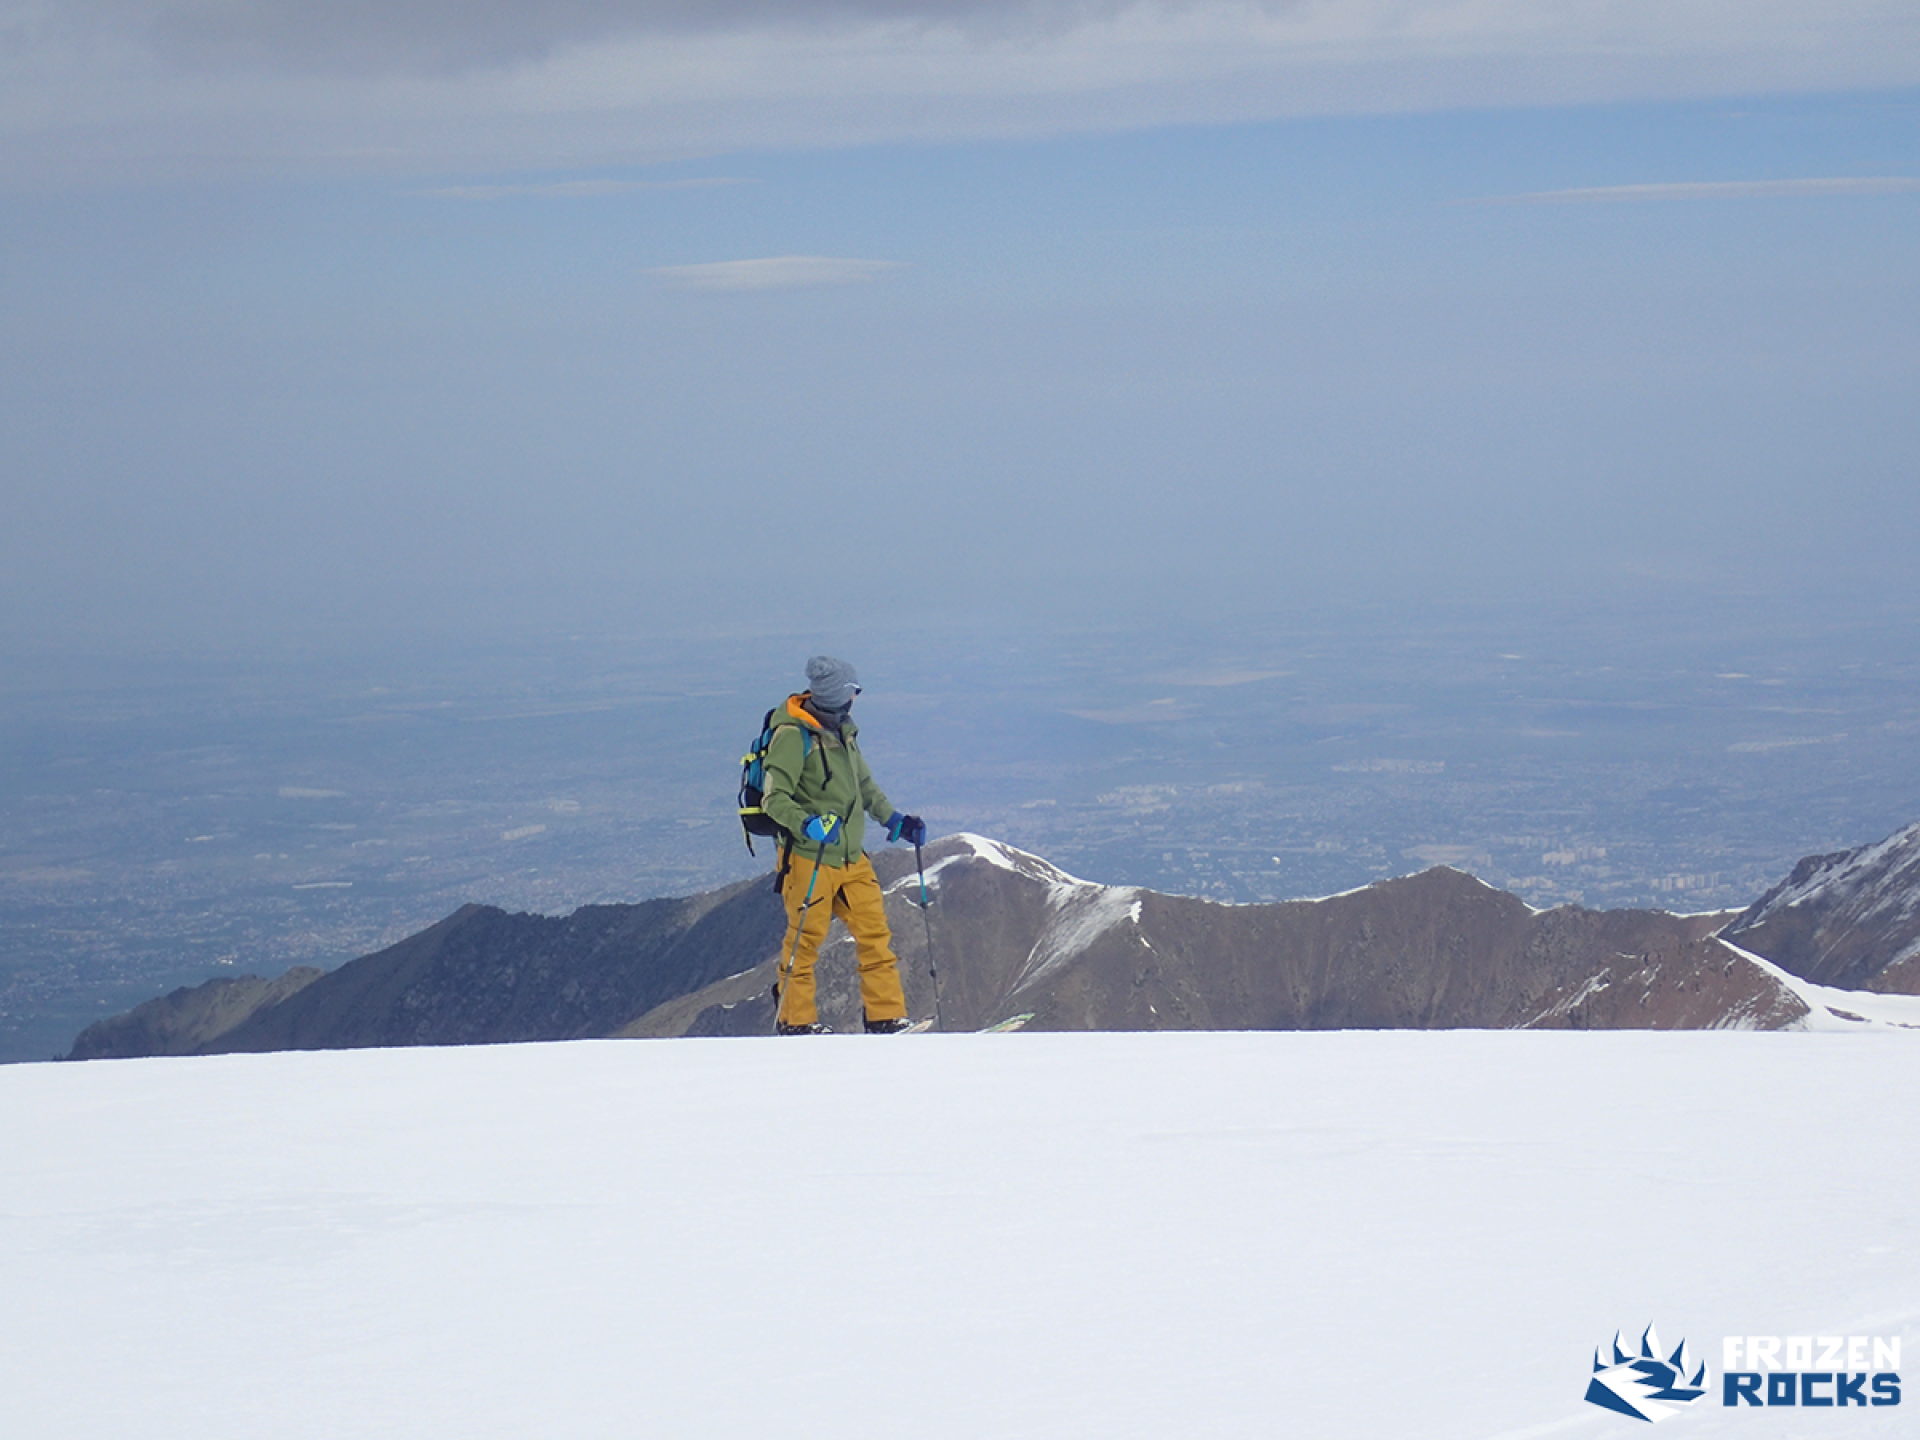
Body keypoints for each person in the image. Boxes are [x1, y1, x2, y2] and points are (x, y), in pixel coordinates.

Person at [760, 655, 927, 1035]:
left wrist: (895, 821)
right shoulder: (793, 735)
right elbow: (774, 798)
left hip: (851, 856)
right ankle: (796, 1021)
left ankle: (886, 1017)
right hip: (808, 858)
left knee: (875, 935)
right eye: (854, 690)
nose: (856, 697)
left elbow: (864, 788)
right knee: (805, 941)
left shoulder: (844, 731)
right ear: (839, 692)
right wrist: (807, 825)